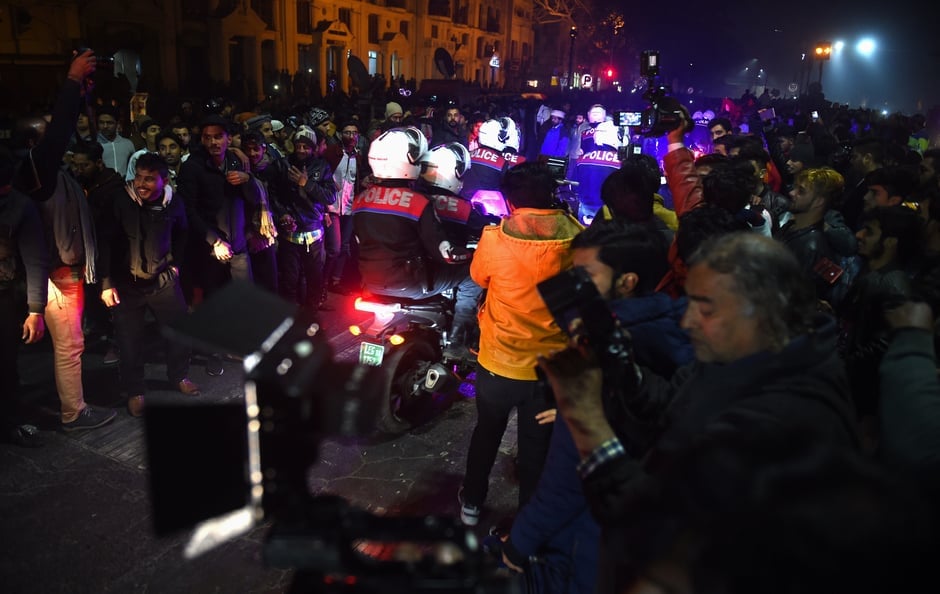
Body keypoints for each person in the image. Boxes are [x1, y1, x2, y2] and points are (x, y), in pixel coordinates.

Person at [541, 232, 860, 593]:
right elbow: (672, 407)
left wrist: (586, 419)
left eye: (705, 308)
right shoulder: (739, 358)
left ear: (764, 309)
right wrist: (621, 363)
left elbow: (657, 528)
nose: (687, 321)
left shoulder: (786, 420)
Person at [458, 161, 584, 526]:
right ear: (552, 195)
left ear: (510, 202)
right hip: (548, 370)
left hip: (498, 362)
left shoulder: (495, 238)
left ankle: (472, 504)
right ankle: (528, 520)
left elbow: (478, 276)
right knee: (536, 448)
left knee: (486, 433)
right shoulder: (577, 238)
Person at [353, 126, 482, 356]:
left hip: (368, 282)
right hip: (411, 282)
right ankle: (457, 343)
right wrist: (474, 254)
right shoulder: (417, 202)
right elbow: (445, 253)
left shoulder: (360, 200)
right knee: (472, 276)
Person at [97, 153, 200, 417]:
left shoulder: (173, 202)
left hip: (163, 281)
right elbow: (105, 242)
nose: (141, 184)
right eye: (139, 177)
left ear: (163, 181)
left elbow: (183, 232)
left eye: (149, 179)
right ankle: (135, 391)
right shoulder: (119, 200)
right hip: (126, 284)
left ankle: (179, 376)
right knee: (129, 342)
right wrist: (106, 282)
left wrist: (176, 263)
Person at [177, 113, 263, 375]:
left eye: (218, 136)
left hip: (238, 243)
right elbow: (188, 210)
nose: (213, 142)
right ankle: (212, 352)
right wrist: (213, 241)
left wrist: (248, 181)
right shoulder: (193, 166)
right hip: (208, 247)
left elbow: (249, 200)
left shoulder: (236, 161)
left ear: (228, 138)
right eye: (208, 137)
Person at [0, 150, 50, 446]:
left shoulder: (20, 205)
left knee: (6, 364)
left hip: (5, 295)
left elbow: (35, 258)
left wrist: (35, 309)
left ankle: (10, 422)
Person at [272, 125, 335, 312]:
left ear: (313, 148)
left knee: (314, 276)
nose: (301, 150)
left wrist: (306, 184)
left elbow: (330, 197)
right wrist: (282, 214)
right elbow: (273, 195)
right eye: (298, 146)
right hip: (289, 234)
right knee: (290, 278)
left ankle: (311, 314)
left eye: (305, 147)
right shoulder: (282, 165)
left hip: (314, 233)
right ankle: (290, 315)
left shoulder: (321, 166)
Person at [322, 120, 371, 294]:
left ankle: (335, 281)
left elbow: (356, 180)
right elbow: (320, 174)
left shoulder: (357, 156)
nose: (351, 136)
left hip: (349, 208)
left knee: (344, 247)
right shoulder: (332, 153)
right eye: (347, 132)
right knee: (334, 248)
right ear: (341, 135)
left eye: (354, 133)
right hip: (332, 207)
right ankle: (323, 282)